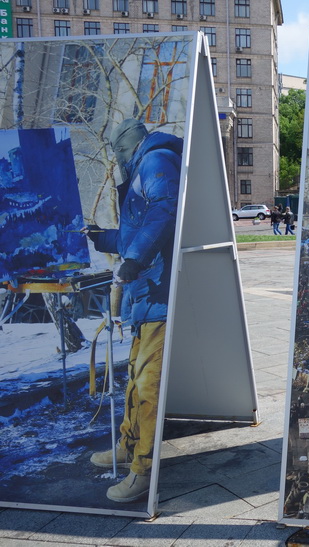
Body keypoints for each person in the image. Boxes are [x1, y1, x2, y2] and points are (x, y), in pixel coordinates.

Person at [86, 118, 182, 503]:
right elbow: (134, 233)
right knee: (134, 379)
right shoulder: (146, 165)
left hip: (157, 294)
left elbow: (165, 210)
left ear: (129, 146)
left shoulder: (155, 161)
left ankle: (144, 468)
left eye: (118, 151)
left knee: (147, 386)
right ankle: (129, 445)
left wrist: (135, 259)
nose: (117, 158)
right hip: (146, 296)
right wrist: (99, 237)